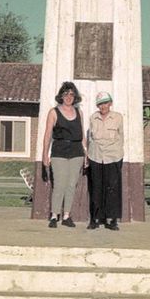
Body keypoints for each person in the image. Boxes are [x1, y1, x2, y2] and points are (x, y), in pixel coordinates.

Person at [41, 82, 87, 228]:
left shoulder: (79, 112)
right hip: (59, 151)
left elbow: (82, 135)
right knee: (60, 184)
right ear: (61, 96)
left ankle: (67, 215)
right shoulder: (53, 112)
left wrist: (87, 153)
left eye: (72, 94)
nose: (68, 97)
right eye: (66, 94)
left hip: (76, 151)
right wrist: (44, 154)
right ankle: (54, 215)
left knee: (71, 185)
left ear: (75, 96)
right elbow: (48, 135)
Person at [86, 91, 124, 231]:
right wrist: (87, 158)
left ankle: (112, 220)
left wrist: (119, 156)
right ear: (97, 105)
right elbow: (90, 138)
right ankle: (94, 219)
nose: (103, 106)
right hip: (95, 157)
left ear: (110, 103)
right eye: (100, 104)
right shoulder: (93, 118)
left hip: (113, 158)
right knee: (96, 189)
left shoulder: (118, 118)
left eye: (106, 103)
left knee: (112, 189)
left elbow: (121, 138)